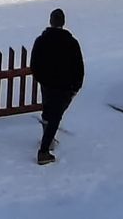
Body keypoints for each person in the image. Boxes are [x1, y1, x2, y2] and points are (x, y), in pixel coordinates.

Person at [30, 9, 84, 165]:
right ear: (63, 22)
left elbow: (34, 64)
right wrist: (75, 87)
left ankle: (48, 138)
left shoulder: (41, 40)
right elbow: (78, 67)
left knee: (48, 112)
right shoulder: (71, 43)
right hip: (64, 86)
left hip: (47, 84)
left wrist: (41, 79)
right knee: (55, 116)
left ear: (50, 21)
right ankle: (44, 151)